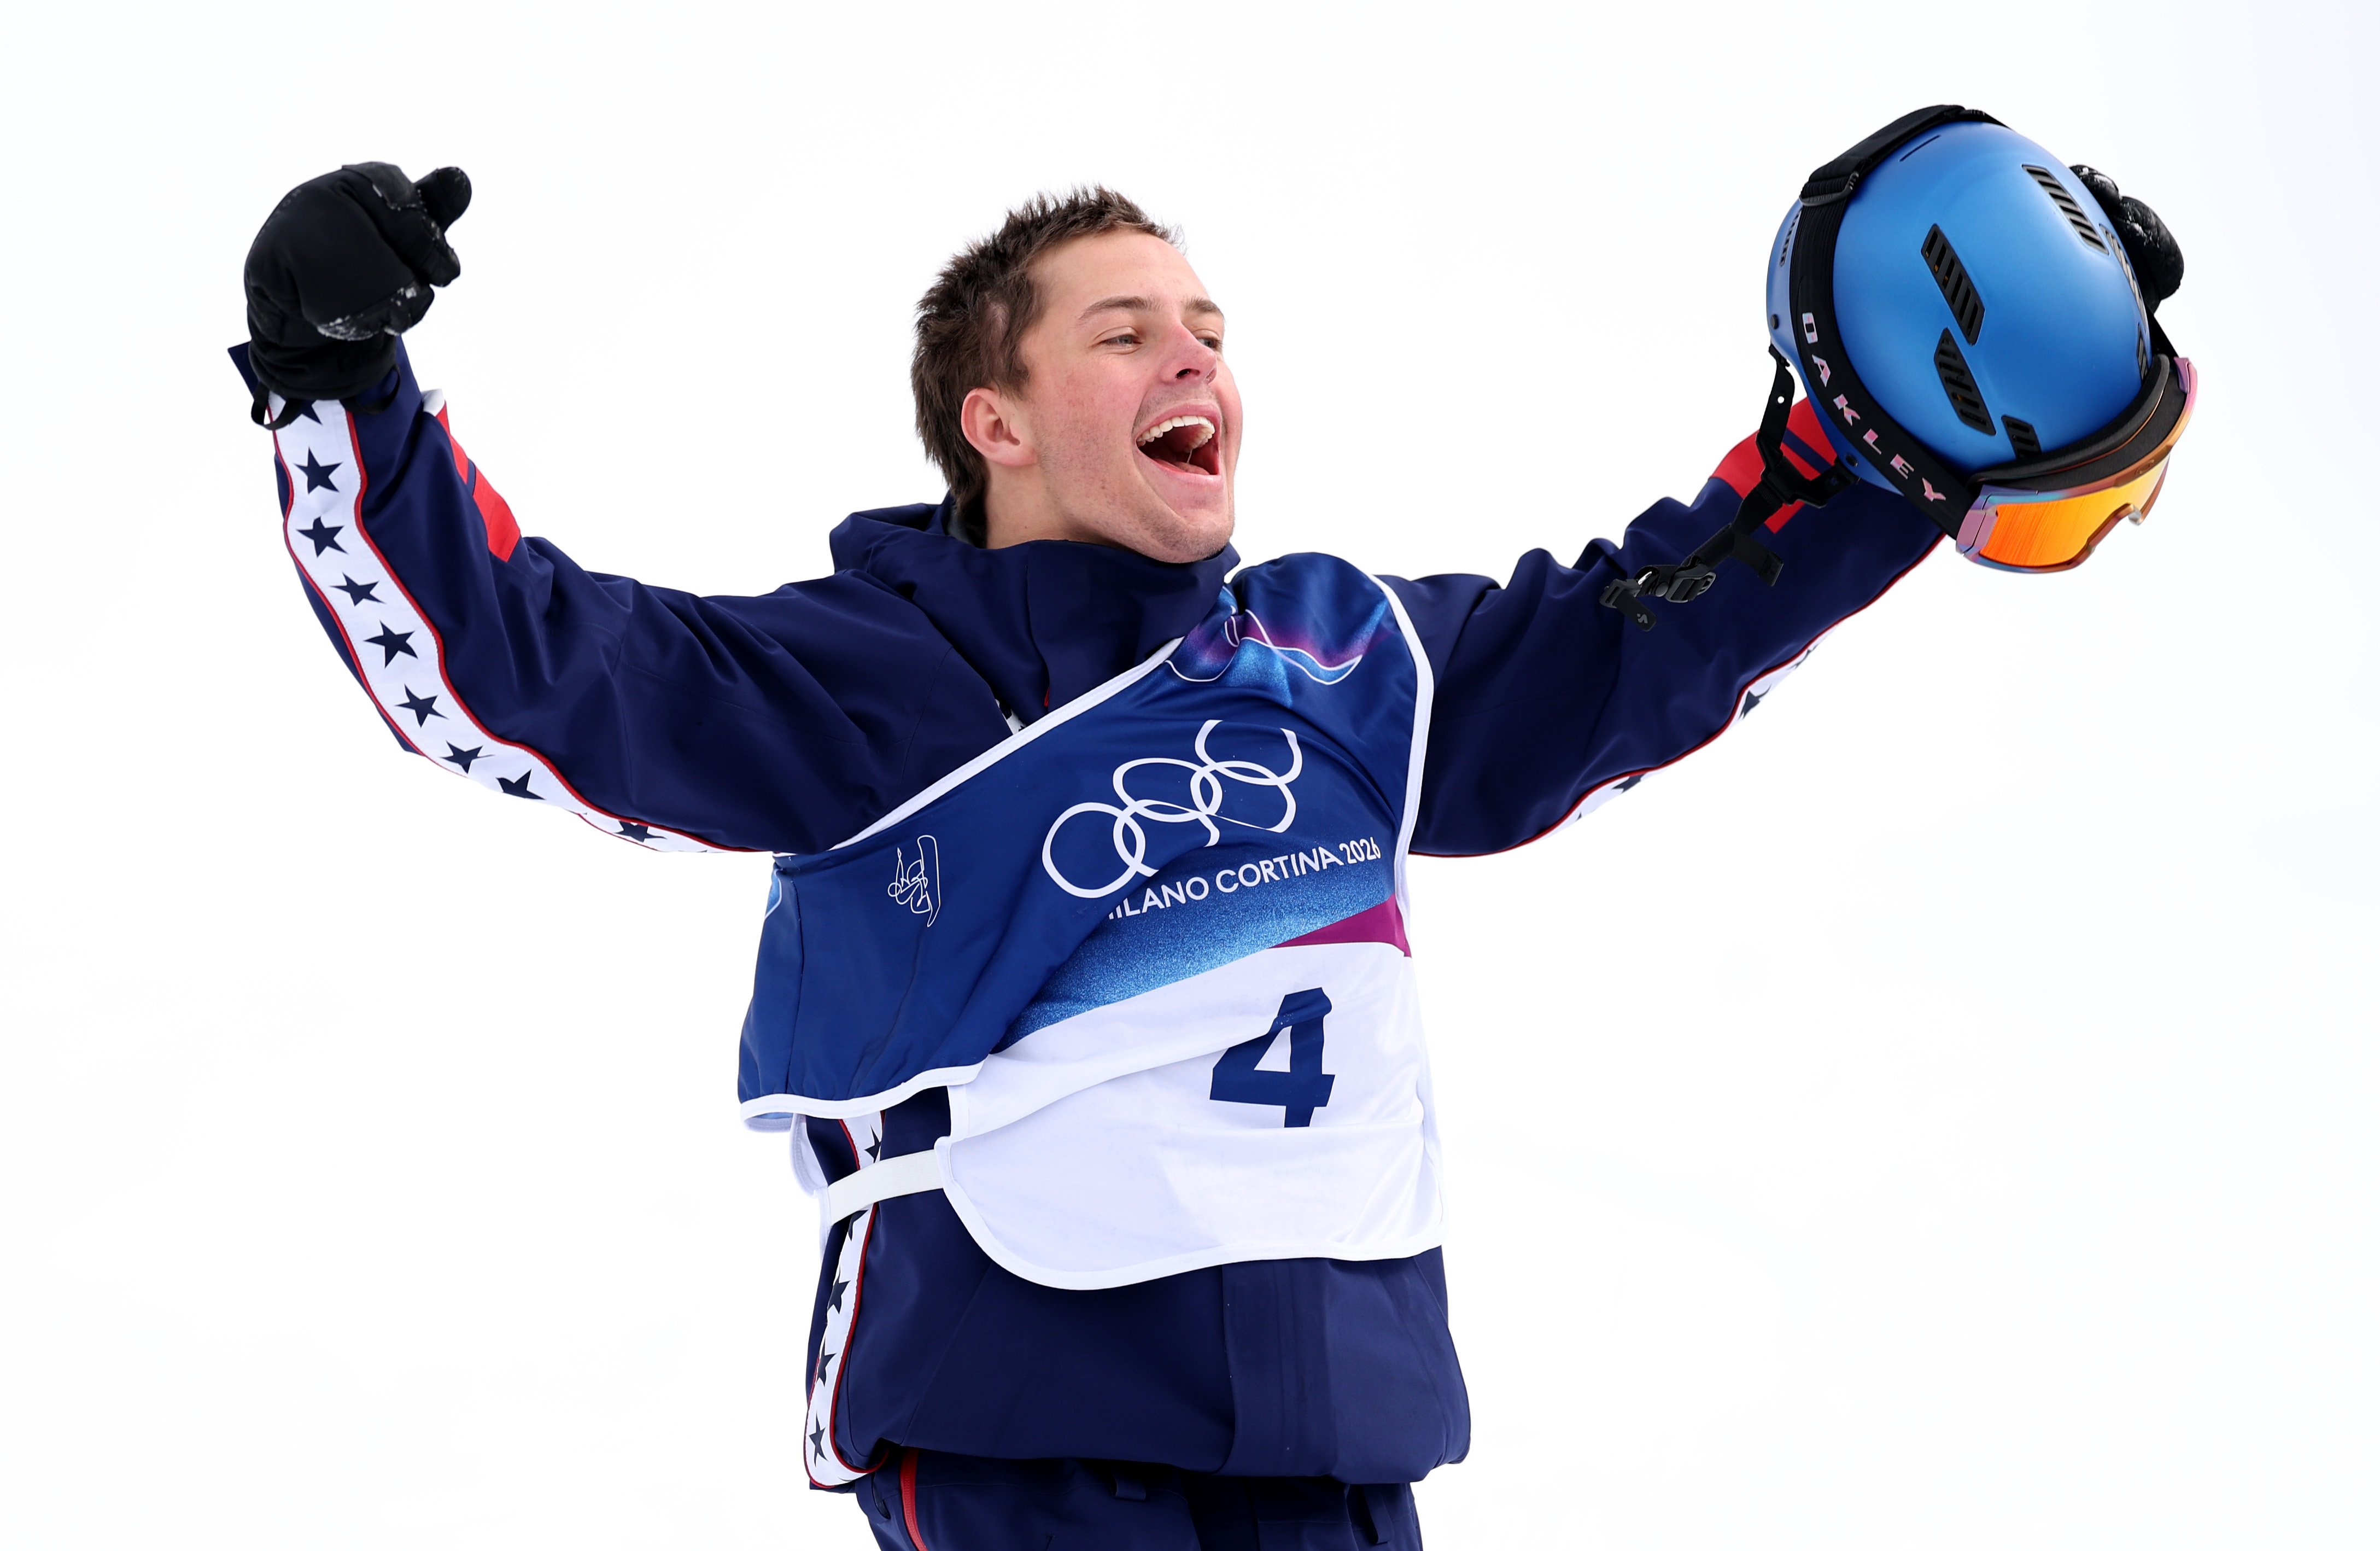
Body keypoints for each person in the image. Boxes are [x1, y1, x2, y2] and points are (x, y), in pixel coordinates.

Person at [233, 104, 2188, 1550]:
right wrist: (342, 385)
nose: (1195, 360)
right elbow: (520, 665)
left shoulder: (1343, 656)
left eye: (1207, 325)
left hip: (1339, 1432)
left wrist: (1892, 455)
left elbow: (1636, 633)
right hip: (1025, 1411)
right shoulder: (873, 682)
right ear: (990, 422)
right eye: (1121, 332)